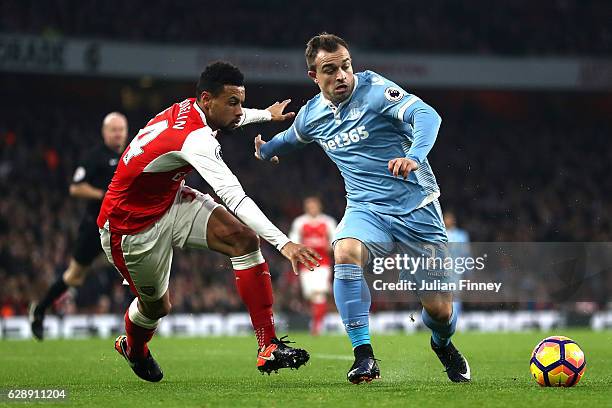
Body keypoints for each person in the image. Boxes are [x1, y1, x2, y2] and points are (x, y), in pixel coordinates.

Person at [255, 33, 470, 384]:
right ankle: (363, 356)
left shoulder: (373, 90)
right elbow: (290, 139)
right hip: (365, 208)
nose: (341, 75)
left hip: (417, 208)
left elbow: (427, 115)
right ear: (314, 75)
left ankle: (442, 343)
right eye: (330, 70)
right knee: (345, 250)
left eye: (345, 66)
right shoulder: (312, 115)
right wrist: (265, 150)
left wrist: (414, 156)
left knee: (440, 310)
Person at [98, 61, 321, 382]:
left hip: (169, 199)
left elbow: (233, 117)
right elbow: (234, 196)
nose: (239, 110)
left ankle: (268, 345)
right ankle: (134, 348)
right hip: (129, 227)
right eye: (233, 102)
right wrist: (283, 243)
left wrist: (266, 115)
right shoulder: (195, 138)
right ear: (207, 99)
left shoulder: (192, 109)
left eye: (241, 101)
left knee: (243, 240)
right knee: (156, 308)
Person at [29, 112, 129, 341]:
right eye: (113, 130)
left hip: (123, 225)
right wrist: (104, 195)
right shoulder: (94, 157)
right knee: (74, 276)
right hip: (95, 226)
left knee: (135, 266)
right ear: (104, 133)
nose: (118, 134)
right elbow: (75, 188)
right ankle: (40, 309)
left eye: (121, 129)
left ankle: (136, 324)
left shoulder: (130, 155)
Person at [289, 196, 336, 335]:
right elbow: (294, 241)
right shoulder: (300, 222)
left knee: (319, 293)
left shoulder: (328, 222)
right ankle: (316, 322)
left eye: (314, 205)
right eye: (309, 206)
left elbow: (334, 241)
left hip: (323, 263)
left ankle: (316, 327)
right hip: (306, 265)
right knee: (311, 295)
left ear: (319, 206)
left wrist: (329, 246)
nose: (312, 208)